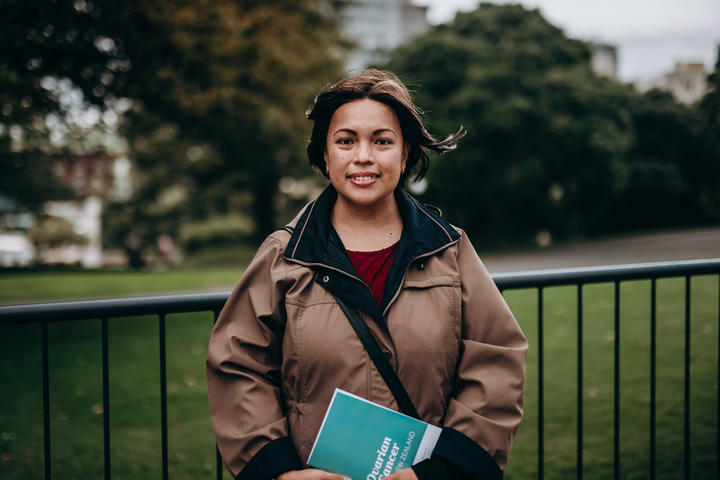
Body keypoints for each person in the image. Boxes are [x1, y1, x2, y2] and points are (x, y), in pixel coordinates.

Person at [206, 69, 527, 480]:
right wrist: (278, 473)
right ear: (324, 156)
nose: (363, 156)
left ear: (405, 153)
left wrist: (441, 471)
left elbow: (495, 360)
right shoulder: (283, 255)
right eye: (345, 141)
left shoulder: (451, 249)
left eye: (382, 141)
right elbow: (238, 366)